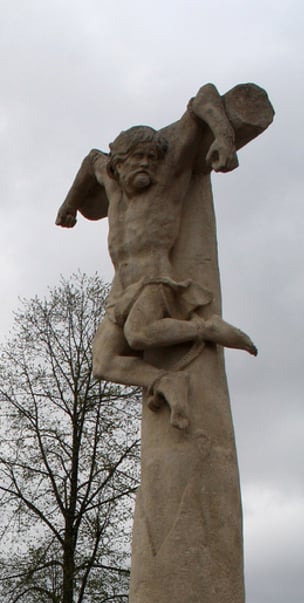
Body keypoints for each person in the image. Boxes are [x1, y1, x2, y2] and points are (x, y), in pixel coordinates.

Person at [56, 83, 258, 430]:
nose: (147, 164)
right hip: (121, 292)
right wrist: (69, 204)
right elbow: (92, 160)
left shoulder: (166, 182)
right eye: (139, 158)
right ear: (120, 163)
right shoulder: (113, 185)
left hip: (156, 281)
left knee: (139, 335)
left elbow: (203, 98)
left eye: (152, 157)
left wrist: (223, 138)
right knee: (102, 362)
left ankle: (205, 328)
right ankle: (165, 381)